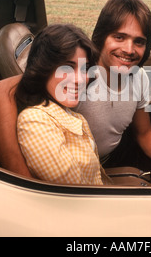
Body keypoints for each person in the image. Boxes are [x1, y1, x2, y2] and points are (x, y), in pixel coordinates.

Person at [0, 0, 151, 187]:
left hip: (125, 140)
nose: (129, 49)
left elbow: (144, 133)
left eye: (139, 41)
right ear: (101, 37)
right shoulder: (81, 74)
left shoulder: (140, 76)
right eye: (119, 37)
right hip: (101, 162)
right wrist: (24, 182)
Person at [13, 23, 110, 185]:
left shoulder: (67, 112)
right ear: (44, 68)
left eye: (85, 68)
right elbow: (76, 193)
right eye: (68, 67)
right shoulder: (34, 120)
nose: (80, 79)